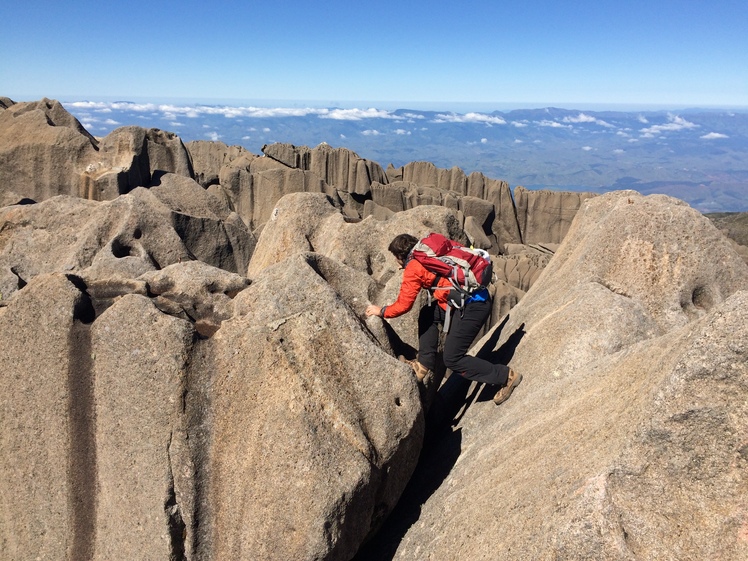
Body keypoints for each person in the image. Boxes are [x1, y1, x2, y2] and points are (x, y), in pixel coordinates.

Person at [365, 233, 521, 406]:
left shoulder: (414, 267)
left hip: (471, 307)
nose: (397, 263)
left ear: (401, 256)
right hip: (474, 298)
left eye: (396, 258)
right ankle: (423, 365)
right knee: (428, 313)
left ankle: (506, 376)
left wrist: (382, 311)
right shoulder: (432, 248)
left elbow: (404, 305)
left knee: (453, 359)